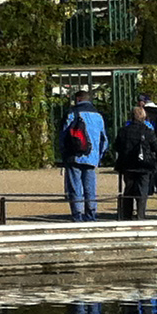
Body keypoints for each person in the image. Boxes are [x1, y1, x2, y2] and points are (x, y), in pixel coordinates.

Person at [59, 93, 107, 222]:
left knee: (75, 187)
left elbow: (63, 136)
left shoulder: (72, 114)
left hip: (74, 155)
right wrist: (99, 155)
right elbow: (104, 140)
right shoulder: (98, 116)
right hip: (92, 156)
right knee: (90, 186)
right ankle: (91, 213)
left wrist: (63, 153)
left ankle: (77, 214)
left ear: (78, 99)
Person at [113, 103, 157, 220]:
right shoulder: (148, 131)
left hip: (128, 164)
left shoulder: (124, 131)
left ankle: (126, 215)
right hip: (144, 165)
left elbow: (116, 147)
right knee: (142, 191)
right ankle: (140, 215)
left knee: (128, 190)